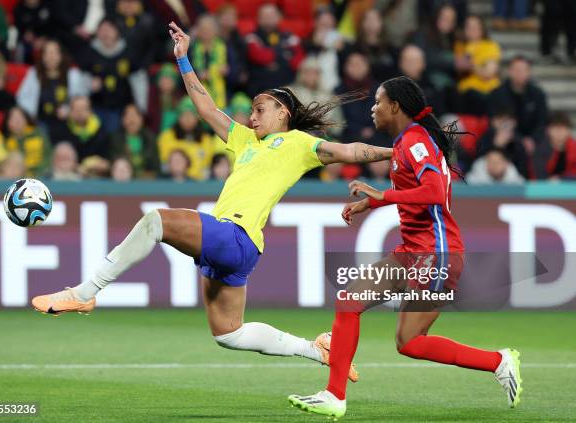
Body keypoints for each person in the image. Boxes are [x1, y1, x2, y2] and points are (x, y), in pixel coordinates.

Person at [30, 22, 393, 380]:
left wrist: (397, 151)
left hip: (235, 235)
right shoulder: (246, 140)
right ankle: (318, 349)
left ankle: (84, 292)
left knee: (156, 220)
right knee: (229, 334)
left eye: (259, 109)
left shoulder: (299, 144)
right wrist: (184, 60)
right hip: (237, 246)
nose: (252, 116)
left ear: (283, 112)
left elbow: (350, 150)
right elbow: (205, 107)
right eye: (251, 110)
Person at [288, 76, 522, 418]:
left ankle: (498, 361)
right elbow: (415, 191)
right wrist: (370, 203)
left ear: (395, 106)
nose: (373, 108)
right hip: (412, 250)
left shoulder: (415, 141)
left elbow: (434, 192)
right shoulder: (405, 142)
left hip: (437, 254)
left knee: (411, 342)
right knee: (349, 302)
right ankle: (334, 396)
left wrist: (385, 195)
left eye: (378, 101)